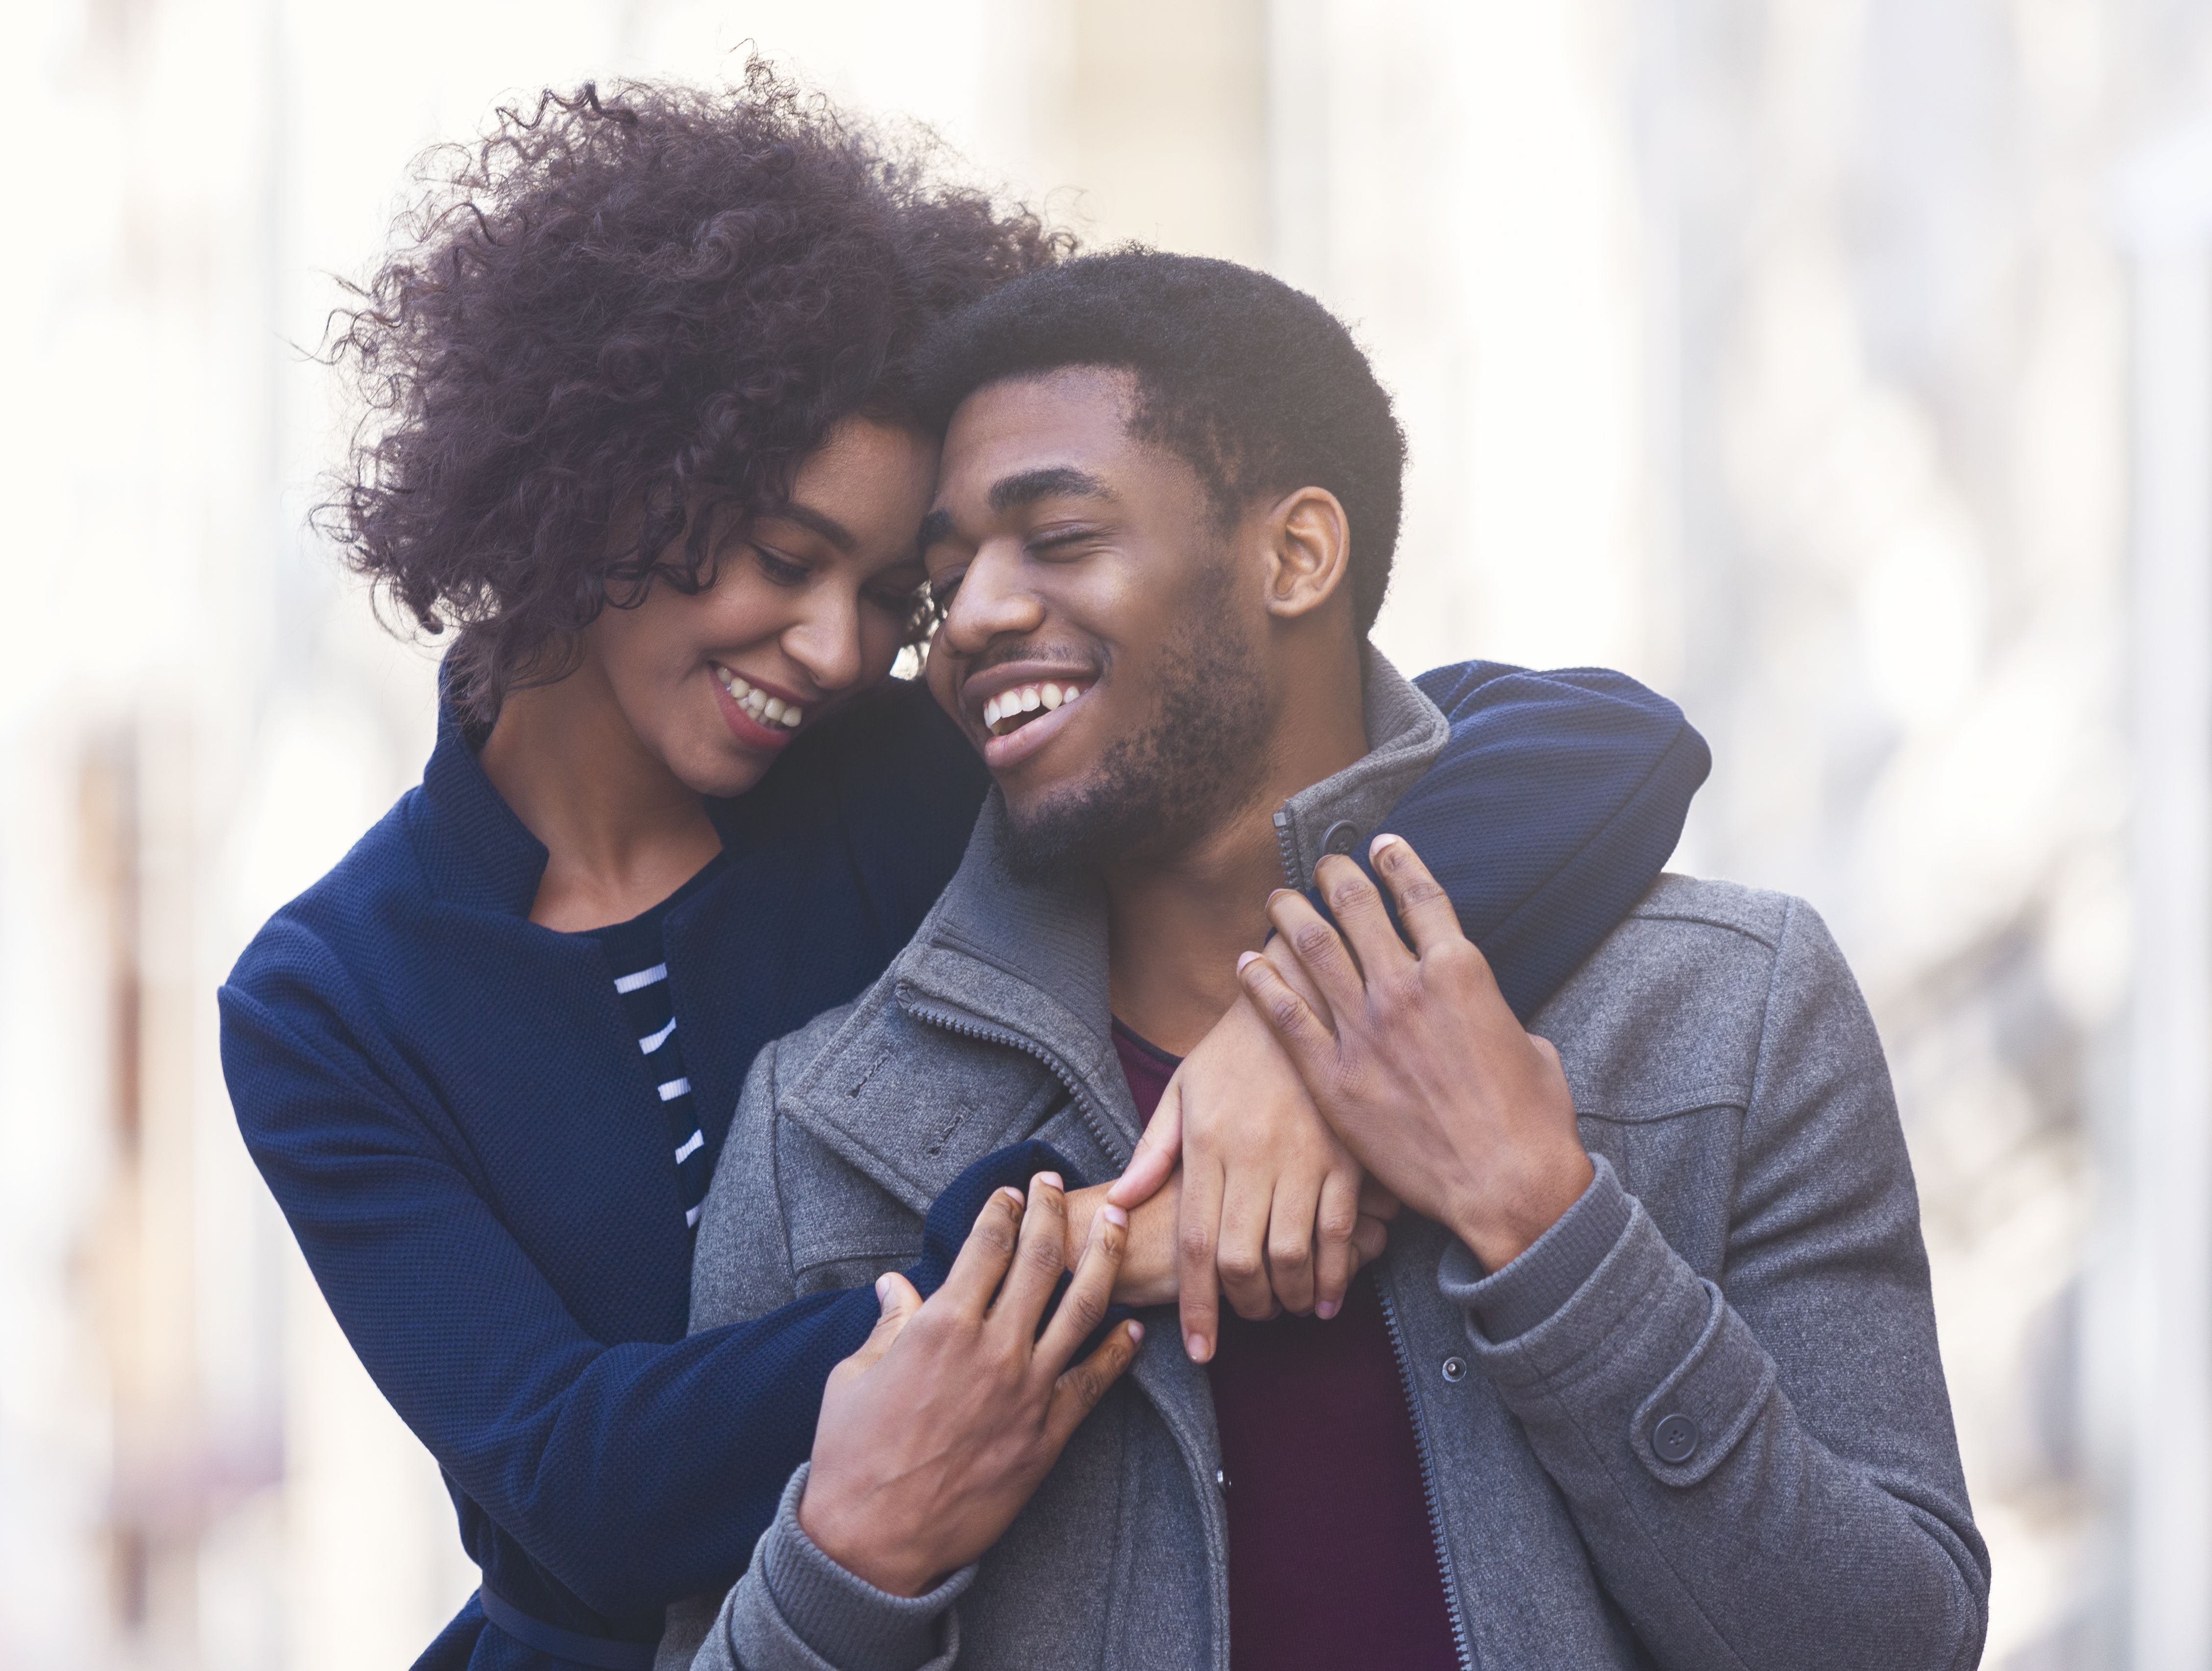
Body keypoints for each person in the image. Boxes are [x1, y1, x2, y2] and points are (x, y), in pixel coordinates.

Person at [220, 69, 1704, 1671]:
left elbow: (1593, 745)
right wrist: (1076, 1253)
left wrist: (1293, 1028)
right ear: (598, 477)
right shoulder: (330, 999)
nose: (839, 649)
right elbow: (581, 1487)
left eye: (887, 596)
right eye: (789, 563)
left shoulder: (916, 774)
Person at [672, 251, 1988, 1671]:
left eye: (1055, 536)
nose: (973, 618)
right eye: (944, 584)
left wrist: (1543, 1222)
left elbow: (1894, 1643)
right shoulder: (828, 1137)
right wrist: (849, 1567)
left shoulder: (1725, 1011)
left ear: (1296, 554)